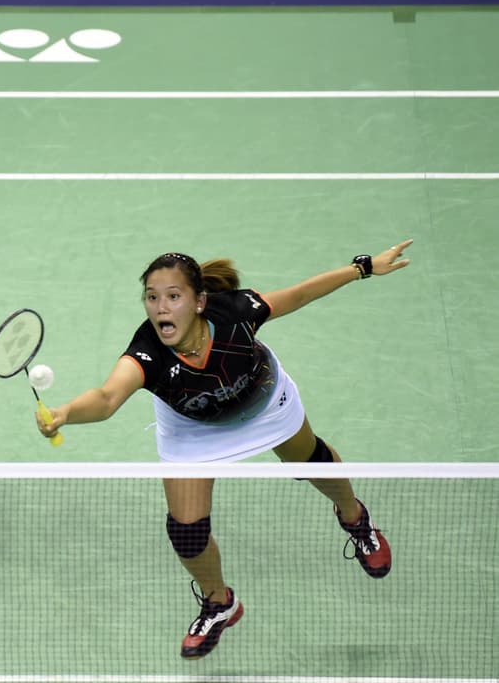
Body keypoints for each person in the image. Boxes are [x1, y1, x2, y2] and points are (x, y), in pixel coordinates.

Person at [36, 240, 413, 660]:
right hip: (193, 428)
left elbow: (300, 294)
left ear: (199, 302)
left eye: (173, 296)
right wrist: (66, 413)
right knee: (186, 531)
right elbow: (107, 398)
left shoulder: (234, 313)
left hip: (262, 402)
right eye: (152, 297)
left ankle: (355, 517)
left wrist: (362, 268)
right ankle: (220, 603)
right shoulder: (147, 352)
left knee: (312, 463)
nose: (161, 308)